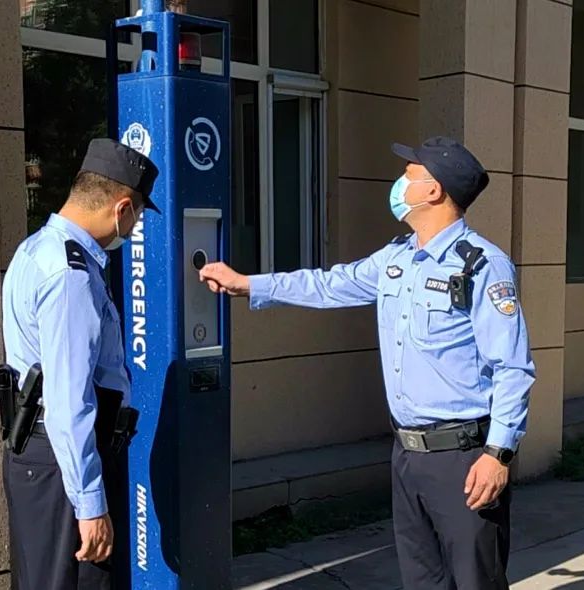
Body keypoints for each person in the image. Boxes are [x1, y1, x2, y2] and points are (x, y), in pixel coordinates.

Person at [200, 137, 535, 589]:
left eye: (409, 175)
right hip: (407, 455)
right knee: (422, 582)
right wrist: (250, 285)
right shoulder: (397, 258)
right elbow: (328, 285)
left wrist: (498, 455)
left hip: (463, 460)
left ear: (433, 190)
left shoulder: (482, 266)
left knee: (476, 581)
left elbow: (513, 367)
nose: (399, 184)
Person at [1, 138, 159, 590]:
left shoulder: (36, 249)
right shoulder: (71, 275)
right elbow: (69, 402)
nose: (135, 225)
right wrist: (90, 505)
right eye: (138, 214)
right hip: (63, 463)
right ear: (121, 208)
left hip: (41, 456)